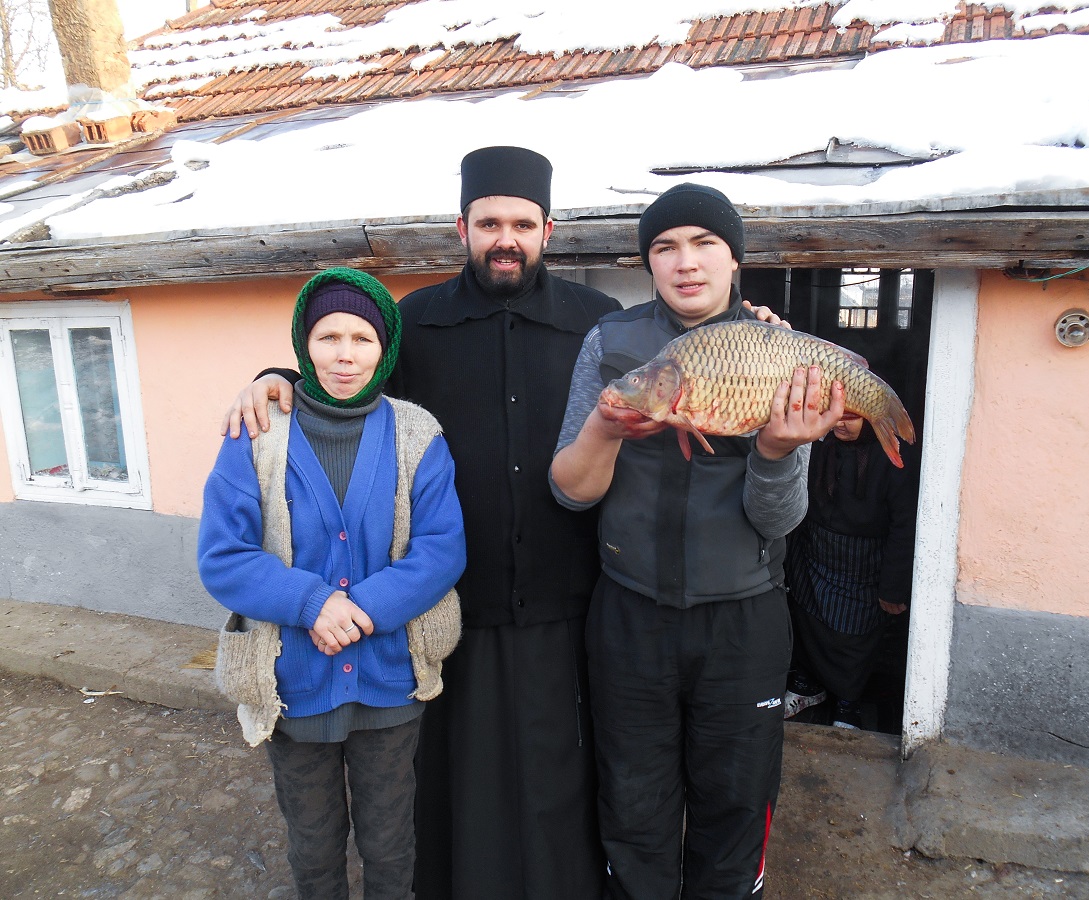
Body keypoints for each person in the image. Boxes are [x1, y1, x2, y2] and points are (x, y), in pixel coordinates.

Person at [221, 147, 620, 900]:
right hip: (441, 603)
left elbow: (676, 357)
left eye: (523, 224)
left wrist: (751, 317)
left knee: (556, 767)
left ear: (549, 230)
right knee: (441, 777)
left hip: (561, 590)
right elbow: (345, 385)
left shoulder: (597, 323)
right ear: (461, 226)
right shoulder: (416, 322)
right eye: (490, 222)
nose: (507, 237)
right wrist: (274, 379)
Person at [549, 183, 846, 900]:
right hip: (629, 613)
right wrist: (606, 427)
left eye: (705, 243)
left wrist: (776, 452)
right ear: (648, 262)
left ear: (735, 258)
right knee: (633, 799)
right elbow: (568, 490)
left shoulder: (779, 351)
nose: (686, 262)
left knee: (737, 802)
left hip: (743, 621)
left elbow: (778, 524)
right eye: (665, 247)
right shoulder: (611, 343)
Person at [198, 267, 467, 899]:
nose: (345, 355)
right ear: (303, 345)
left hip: (391, 682)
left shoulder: (416, 433)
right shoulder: (257, 434)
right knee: (314, 846)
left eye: (361, 339)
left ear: (385, 351)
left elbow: (440, 550)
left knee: (390, 841)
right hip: (294, 683)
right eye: (327, 337)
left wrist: (362, 610)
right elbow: (223, 555)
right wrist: (312, 604)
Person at [782, 411, 918, 729]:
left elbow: (904, 525)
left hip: (862, 562)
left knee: (853, 634)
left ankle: (848, 702)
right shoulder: (819, 443)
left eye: (851, 418)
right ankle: (808, 686)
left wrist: (893, 588)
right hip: (813, 552)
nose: (840, 424)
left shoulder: (892, 454)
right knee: (805, 616)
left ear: (871, 418)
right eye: (836, 416)